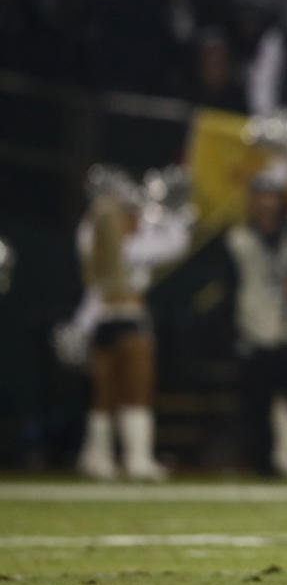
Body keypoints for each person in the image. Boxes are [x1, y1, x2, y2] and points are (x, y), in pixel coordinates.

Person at [73, 169, 190, 481]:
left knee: (104, 394)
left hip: (99, 319)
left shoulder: (88, 236)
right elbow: (175, 244)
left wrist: (80, 327)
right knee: (137, 389)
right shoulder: (130, 248)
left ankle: (96, 457)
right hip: (127, 318)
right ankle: (136, 458)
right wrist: (175, 212)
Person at [223, 169, 287, 478]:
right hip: (257, 329)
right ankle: (264, 465)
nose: (267, 204)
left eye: (273, 197)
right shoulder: (237, 239)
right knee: (259, 406)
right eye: (261, 196)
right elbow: (229, 288)